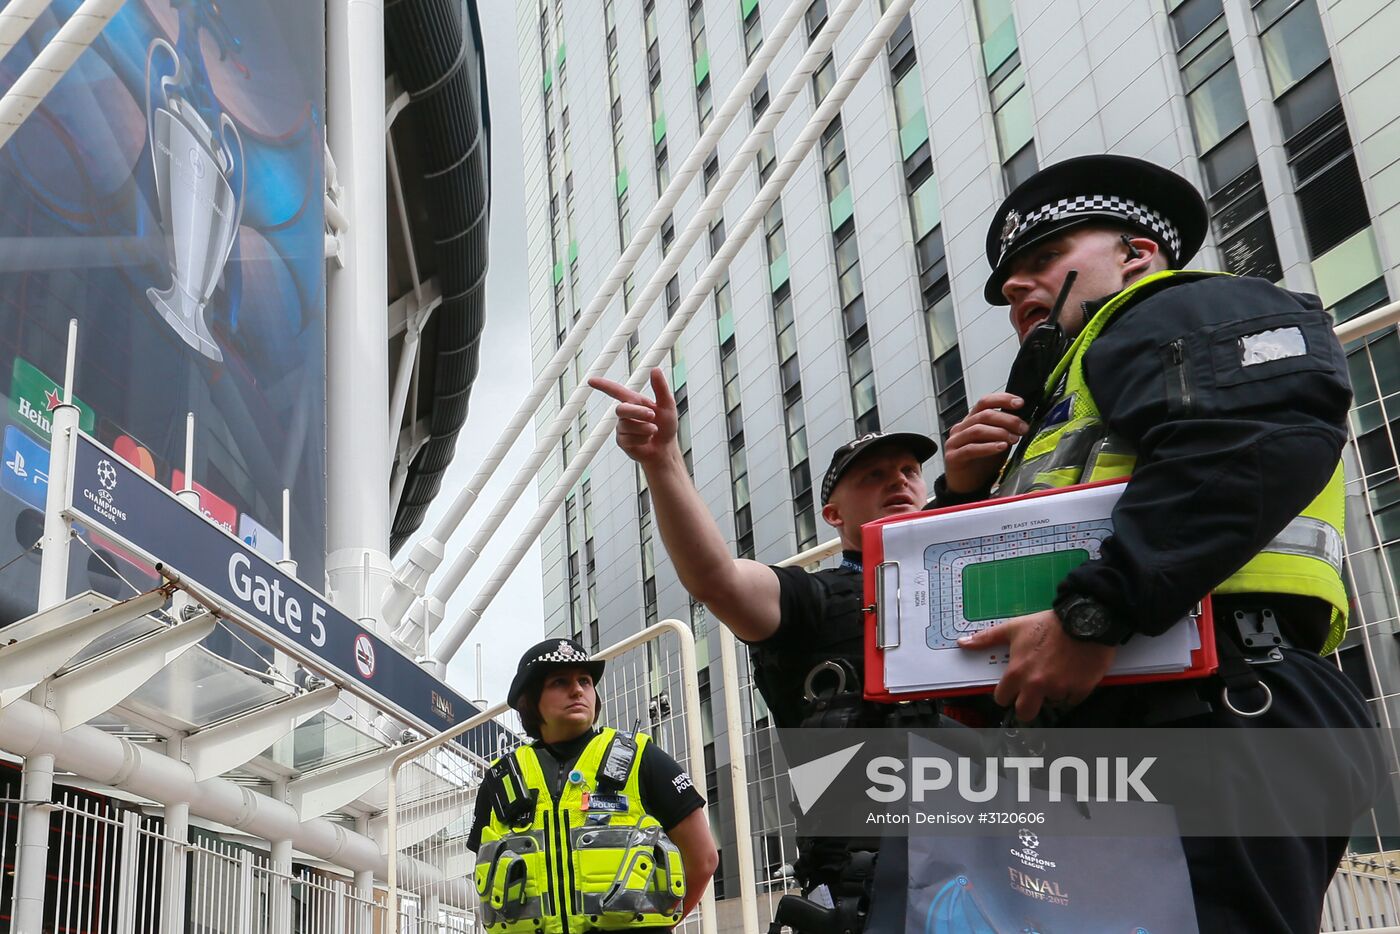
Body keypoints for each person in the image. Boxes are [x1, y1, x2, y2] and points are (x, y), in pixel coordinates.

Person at [940, 153, 1381, 931]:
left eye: (1045, 260)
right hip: (1129, 719)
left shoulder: (1182, 309)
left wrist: (1095, 613)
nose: (1018, 291)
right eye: (1010, 291)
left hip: (1222, 700)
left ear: (1136, 254)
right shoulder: (1062, 394)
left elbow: (1254, 438)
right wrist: (963, 493)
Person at [591, 367, 942, 931]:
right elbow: (717, 579)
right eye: (874, 475)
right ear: (834, 515)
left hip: (1002, 859)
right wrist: (662, 461)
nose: (898, 482)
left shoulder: (979, 588)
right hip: (871, 888)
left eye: (908, 471)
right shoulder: (814, 599)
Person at [468, 638, 717, 932]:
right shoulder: (501, 780)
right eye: (559, 682)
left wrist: (664, 922)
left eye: (585, 681)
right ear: (530, 700)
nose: (577, 690)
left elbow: (703, 859)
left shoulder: (640, 757)